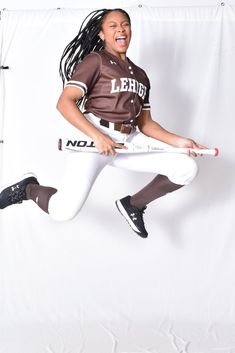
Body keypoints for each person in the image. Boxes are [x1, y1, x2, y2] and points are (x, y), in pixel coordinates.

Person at [0, 8, 206, 238]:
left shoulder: (141, 75)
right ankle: (27, 188)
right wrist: (97, 136)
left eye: (125, 24)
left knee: (187, 168)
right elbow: (64, 102)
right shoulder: (95, 61)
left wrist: (180, 142)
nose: (120, 29)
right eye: (113, 25)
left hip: (128, 142)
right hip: (94, 137)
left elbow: (146, 124)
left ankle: (133, 205)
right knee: (62, 211)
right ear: (102, 34)